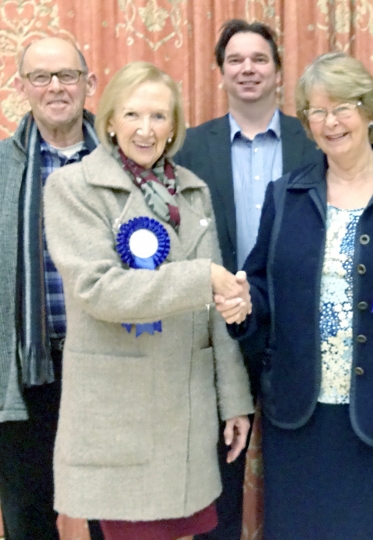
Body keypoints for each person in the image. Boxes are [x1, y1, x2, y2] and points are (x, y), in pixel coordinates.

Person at [229, 51, 373, 540]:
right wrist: (243, 306)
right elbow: (262, 289)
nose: (331, 122)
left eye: (343, 107)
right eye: (317, 111)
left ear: (369, 109)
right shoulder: (284, 196)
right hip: (298, 412)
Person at [42, 61, 255, 540]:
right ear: (111, 121)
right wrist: (203, 278)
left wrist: (235, 402)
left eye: (159, 116)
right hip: (122, 417)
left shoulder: (193, 192)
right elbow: (99, 289)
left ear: (175, 126)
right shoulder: (74, 189)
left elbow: (215, 311)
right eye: (132, 114)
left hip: (188, 419)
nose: (145, 129)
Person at [174, 19, 319, 539]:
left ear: (279, 72)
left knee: (299, 478)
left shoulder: (316, 140)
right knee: (220, 485)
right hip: (217, 335)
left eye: (259, 59)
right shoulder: (188, 148)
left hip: (300, 334)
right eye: (235, 60)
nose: (248, 69)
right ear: (220, 73)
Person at [0, 37, 106, 540]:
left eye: (67, 75)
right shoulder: (2, 168)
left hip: (110, 368)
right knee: (29, 514)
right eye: (40, 77)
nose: (55, 87)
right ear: (22, 87)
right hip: (27, 371)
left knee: (116, 513)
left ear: (89, 83)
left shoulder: (123, 164)